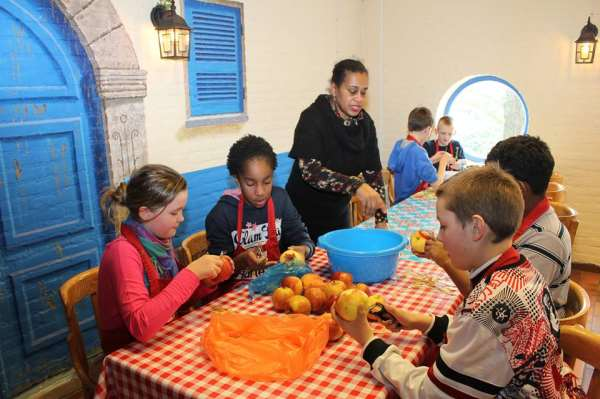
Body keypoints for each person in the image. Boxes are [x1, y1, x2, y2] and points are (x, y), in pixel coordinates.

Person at [333, 165, 564, 398]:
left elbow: (429, 393)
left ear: (476, 228)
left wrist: (367, 339)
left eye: (444, 226)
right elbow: (481, 338)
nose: (440, 236)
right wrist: (419, 321)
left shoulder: (488, 307)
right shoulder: (521, 268)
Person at [419, 136, 571, 315]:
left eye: (491, 182)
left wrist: (445, 259)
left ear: (520, 190)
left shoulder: (545, 241)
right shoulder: (512, 221)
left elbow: (495, 307)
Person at [98, 164, 230, 353]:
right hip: (129, 354)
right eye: (174, 212)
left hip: (163, 336)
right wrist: (191, 274)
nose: (181, 218)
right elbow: (141, 326)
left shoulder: (160, 243)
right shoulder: (123, 253)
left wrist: (205, 281)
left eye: (182, 211)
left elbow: (173, 299)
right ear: (145, 212)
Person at [286, 59, 387, 242]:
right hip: (300, 218)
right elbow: (311, 172)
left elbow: (374, 175)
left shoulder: (366, 125)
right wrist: (357, 185)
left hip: (337, 214)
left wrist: (381, 221)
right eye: (352, 91)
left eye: (363, 92)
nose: (359, 98)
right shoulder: (313, 118)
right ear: (334, 89)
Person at [206, 135, 315, 278]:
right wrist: (241, 262)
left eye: (267, 182)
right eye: (250, 184)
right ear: (237, 180)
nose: (260, 192)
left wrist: (304, 250)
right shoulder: (222, 215)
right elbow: (216, 274)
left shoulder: (280, 200)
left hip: (277, 285)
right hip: (237, 292)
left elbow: (304, 239)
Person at [387, 107, 450, 203]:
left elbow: (409, 165)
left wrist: (431, 160)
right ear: (428, 130)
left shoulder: (400, 144)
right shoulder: (419, 152)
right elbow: (438, 186)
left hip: (399, 203)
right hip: (412, 203)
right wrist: (443, 162)